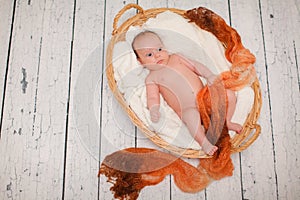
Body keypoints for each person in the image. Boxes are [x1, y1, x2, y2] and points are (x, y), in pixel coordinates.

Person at [132, 31, 242, 156]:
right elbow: (152, 97)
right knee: (191, 116)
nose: (157, 55)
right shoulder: (152, 78)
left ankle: (227, 121)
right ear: (140, 62)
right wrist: (154, 109)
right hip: (187, 109)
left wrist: (209, 75)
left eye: (160, 49)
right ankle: (203, 142)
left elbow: (196, 66)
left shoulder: (176, 58)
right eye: (149, 54)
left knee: (229, 94)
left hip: (205, 96)